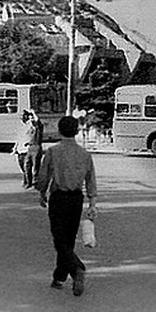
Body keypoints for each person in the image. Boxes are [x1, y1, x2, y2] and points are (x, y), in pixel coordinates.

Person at [35, 116, 97, 297]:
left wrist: (41, 193)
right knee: (68, 239)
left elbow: (44, 175)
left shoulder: (53, 152)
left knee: (59, 239)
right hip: (76, 199)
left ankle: (77, 268)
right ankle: (59, 277)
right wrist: (92, 204)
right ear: (77, 131)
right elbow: (91, 179)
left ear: (60, 131)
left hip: (59, 198)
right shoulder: (85, 154)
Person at [13, 110, 36, 188]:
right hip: (20, 149)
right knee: (22, 166)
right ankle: (26, 180)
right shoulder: (20, 127)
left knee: (27, 167)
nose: (21, 117)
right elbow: (18, 138)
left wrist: (32, 114)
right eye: (21, 116)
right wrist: (15, 147)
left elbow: (36, 124)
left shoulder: (31, 125)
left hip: (27, 149)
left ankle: (29, 182)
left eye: (23, 116)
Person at [27, 111, 44, 188]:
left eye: (32, 119)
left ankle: (36, 183)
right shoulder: (30, 128)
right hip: (30, 147)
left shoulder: (39, 128)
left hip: (36, 147)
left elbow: (37, 121)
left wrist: (33, 113)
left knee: (35, 166)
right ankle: (29, 182)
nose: (31, 120)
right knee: (27, 165)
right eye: (30, 119)